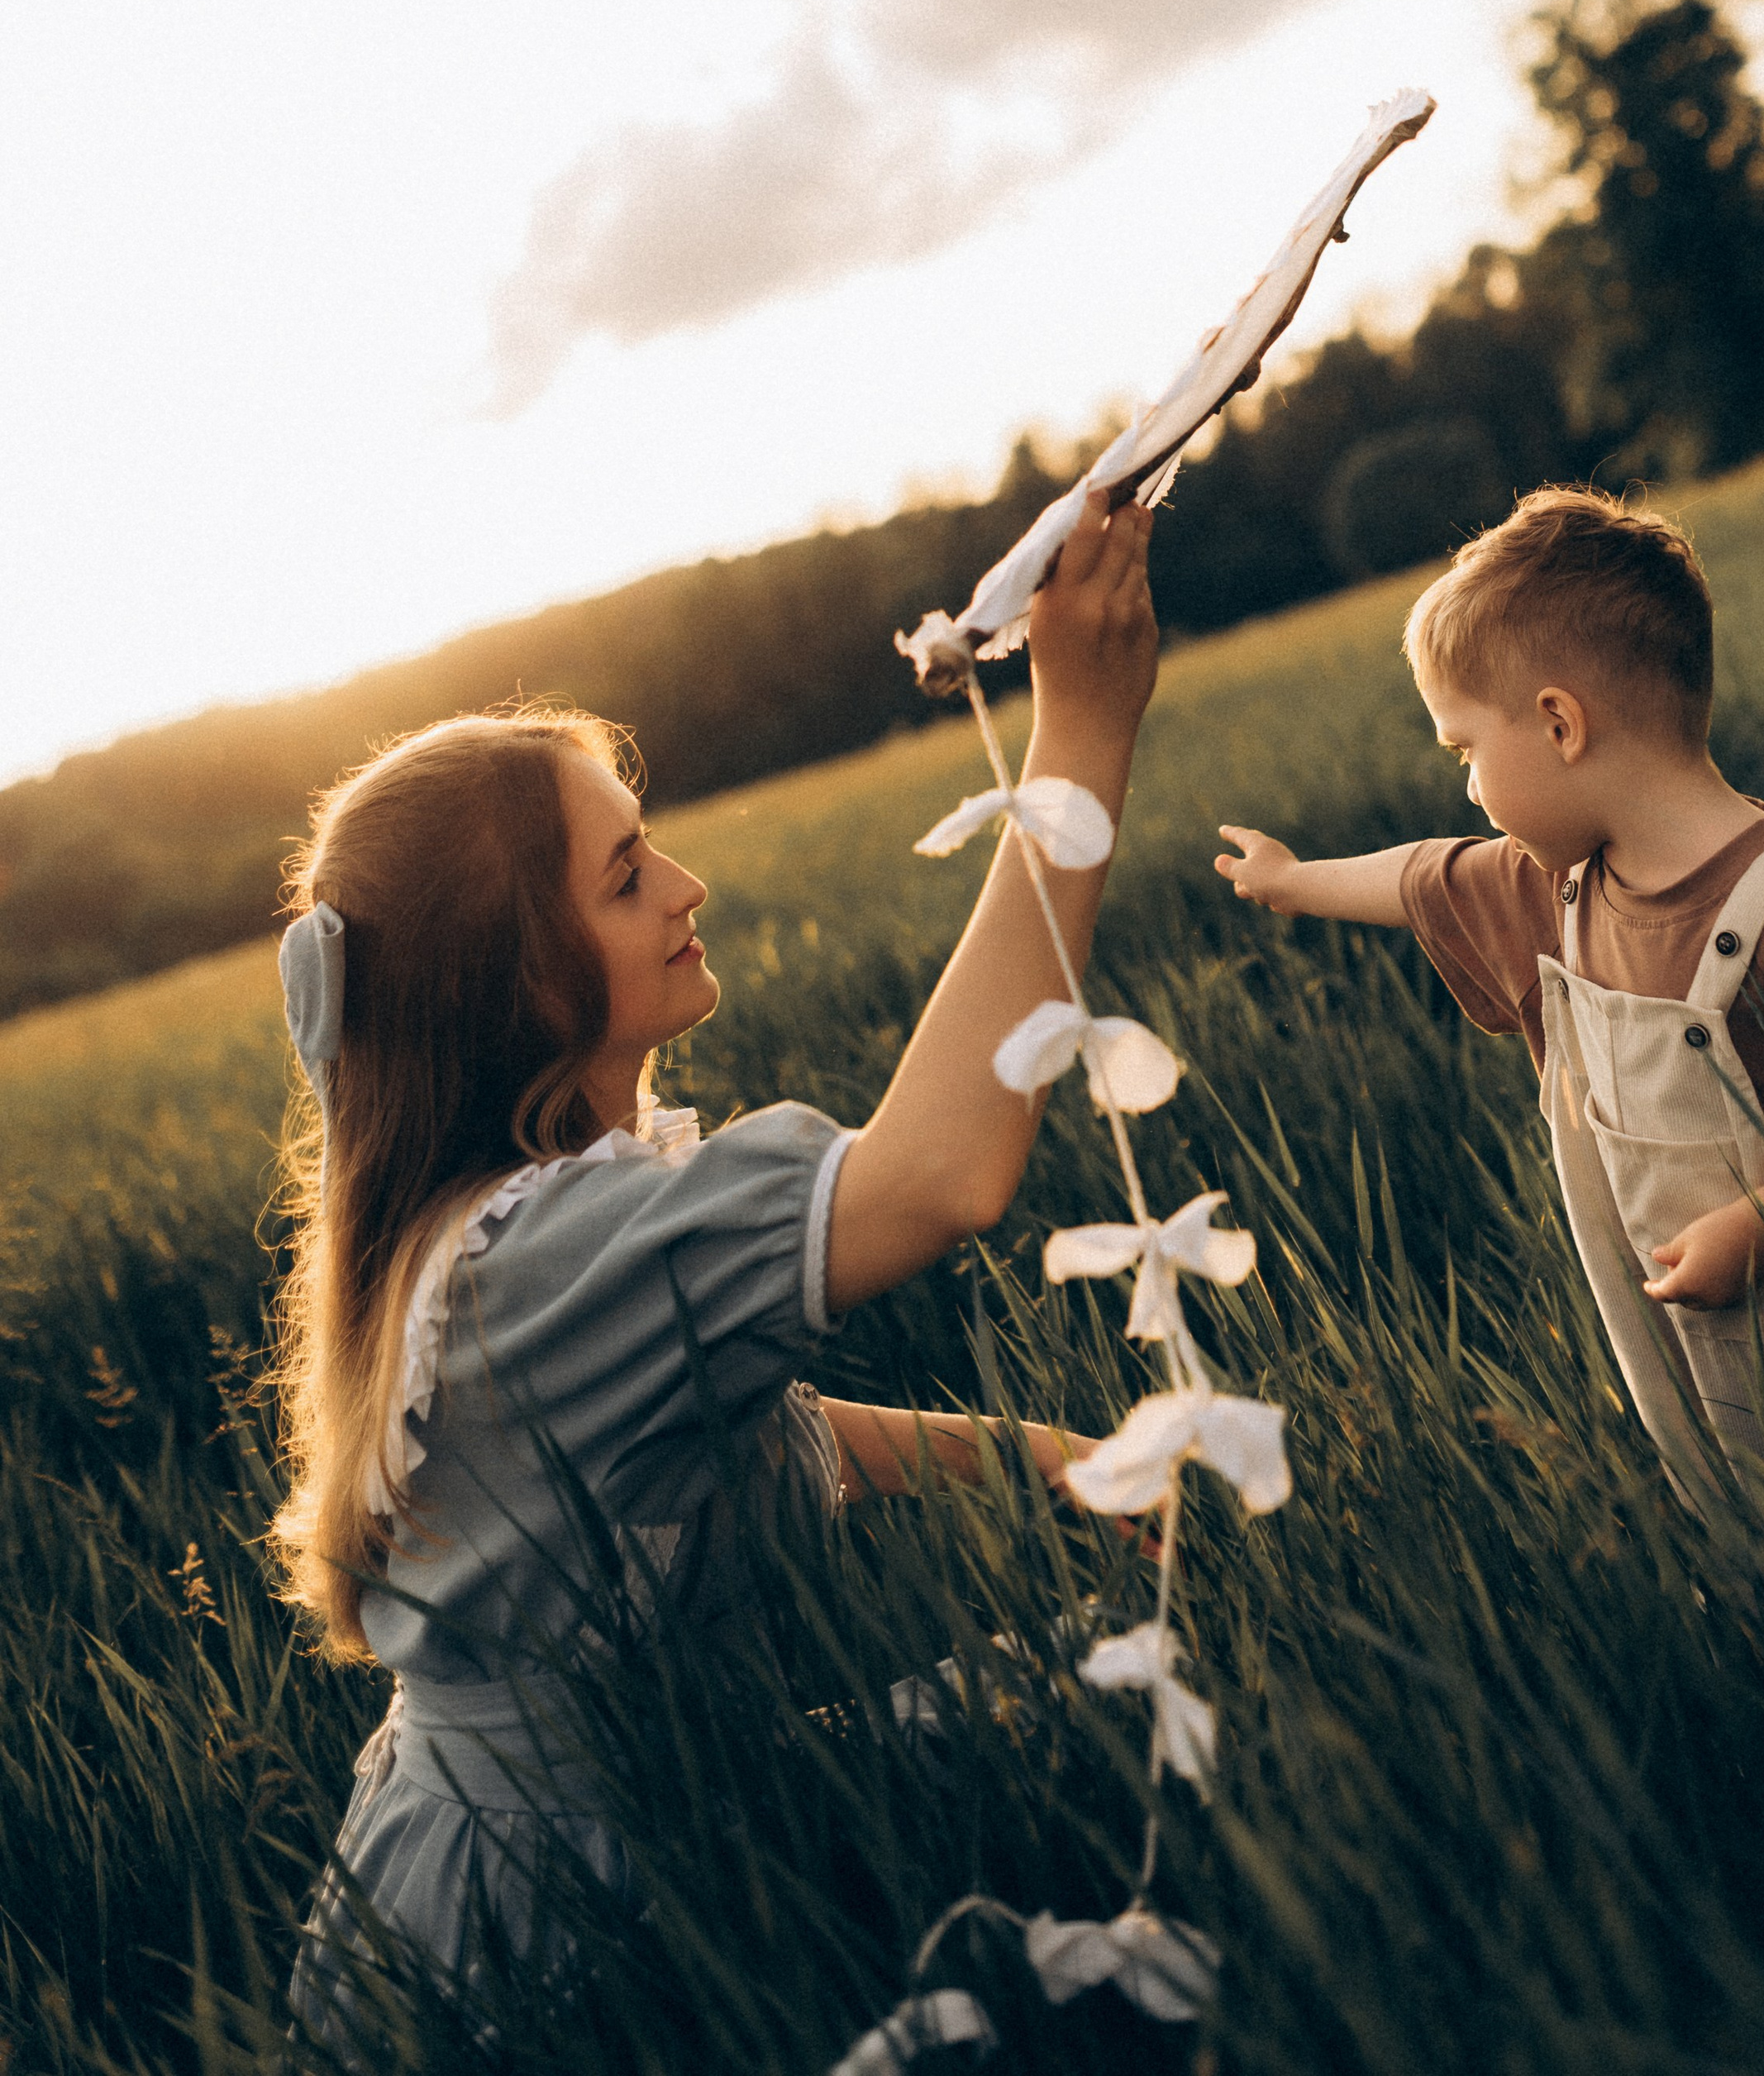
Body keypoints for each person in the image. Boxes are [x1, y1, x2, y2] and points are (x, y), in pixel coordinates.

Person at [273, 489, 1157, 2042]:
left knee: (1093, 1693)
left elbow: (748, 1442)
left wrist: (1043, 1459)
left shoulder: (509, 1228)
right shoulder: (540, 1257)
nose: (687, 885)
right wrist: (1076, 727)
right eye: (625, 876)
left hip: (580, 1824)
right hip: (553, 1932)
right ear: (518, 984)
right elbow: (944, 1170)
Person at [1213, 486, 1764, 1496]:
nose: (1467, 789)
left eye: (1464, 750)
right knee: (1759, 1523)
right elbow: (1422, 875)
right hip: (1698, 1392)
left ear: (1557, 723)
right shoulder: (1562, 889)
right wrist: (1291, 880)